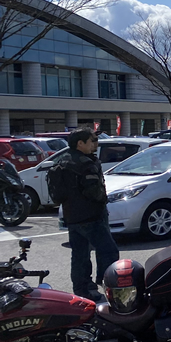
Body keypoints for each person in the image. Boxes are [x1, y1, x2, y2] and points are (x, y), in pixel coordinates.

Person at [55, 128, 119, 301]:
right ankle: (108, 284)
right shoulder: (85, 163)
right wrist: (103, 199)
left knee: (79, 255)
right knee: (109, 251)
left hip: (72, 216)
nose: (94, 144)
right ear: (80, 143)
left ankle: (82, 289)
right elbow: (94, 192)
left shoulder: (62, 160)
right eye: (91, 141)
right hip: (91, 216)